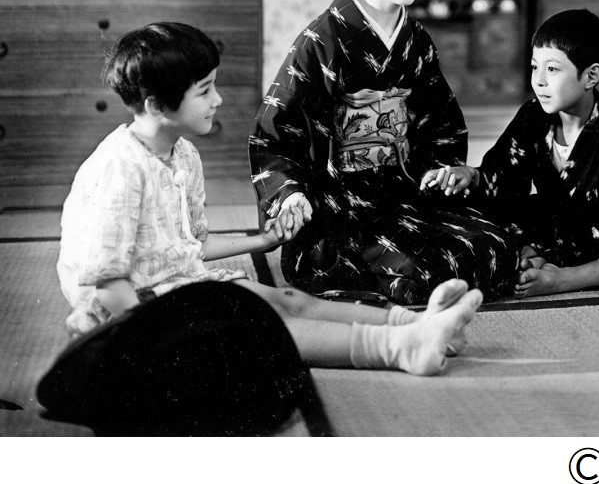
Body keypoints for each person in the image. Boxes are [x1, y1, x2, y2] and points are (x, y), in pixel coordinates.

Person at [57, 22, 482, 375]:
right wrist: (150, 344)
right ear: (156, 106)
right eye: (204, 91)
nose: (218, 100)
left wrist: (262, 241)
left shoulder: (183, 154)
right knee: (264, 327)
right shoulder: (119, 169)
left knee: (289, 300)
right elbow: (108, 282)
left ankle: (418, 322)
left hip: (178, 284)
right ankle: (399, 348)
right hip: (131, 311)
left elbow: (191, 245)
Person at [250, 0, 519, 305]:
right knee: (426, 270)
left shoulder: (416, 39)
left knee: (498, 245)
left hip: (402, 192)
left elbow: (440, 121)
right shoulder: (321, 40)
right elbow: (275, 136)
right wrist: (291, 195)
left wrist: (441, 170)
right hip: (340, 204)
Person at [422, 9, 599, 298]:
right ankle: (539, 255)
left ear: (591, 75)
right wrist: (470, 176)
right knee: (460, 205)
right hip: (554, 229)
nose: (539, 81)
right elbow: (502, 178)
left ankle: (565, 277)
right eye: (534, 67)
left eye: (552, 70)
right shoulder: (533, 116)